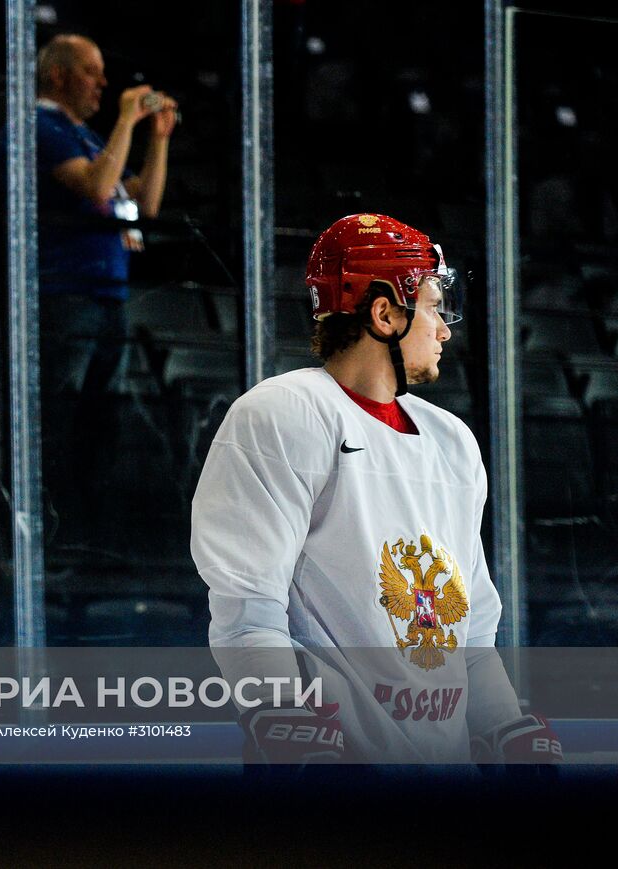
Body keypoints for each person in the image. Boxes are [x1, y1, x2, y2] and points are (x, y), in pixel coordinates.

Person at [190, 213, 561, 765]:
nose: (445, 329)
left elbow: (472, 632)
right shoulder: (283, 414)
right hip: (338, 764)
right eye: (434, 306)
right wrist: (281, 712)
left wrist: (503, 722)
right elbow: (248, 608)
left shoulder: (451, 440)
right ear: (385, 313)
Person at [35, 33, 177, 544]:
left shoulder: (88, 138)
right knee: (65, 414)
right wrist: (124, 120)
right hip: (67, 293)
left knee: (101, 420)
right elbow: (97, 188)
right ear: (59, 75)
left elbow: (145, 204)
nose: (102, 82)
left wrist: (156, 137)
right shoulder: (43, 125)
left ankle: (90, 528)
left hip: (107, 295)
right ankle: (58, 529)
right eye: (91, 72)